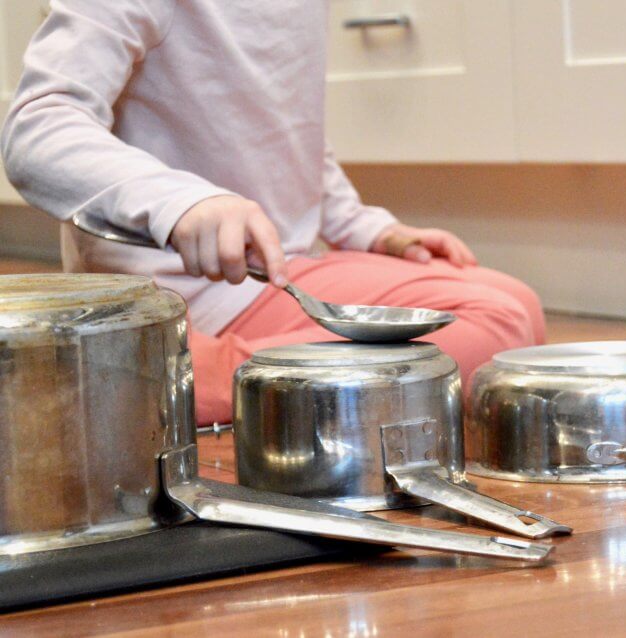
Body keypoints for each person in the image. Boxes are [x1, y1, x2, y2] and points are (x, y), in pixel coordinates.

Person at [1, 1, 545, 425]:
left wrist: (369, 229)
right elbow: (36, 130)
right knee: (501, 320)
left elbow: (284, 133)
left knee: (507, 305)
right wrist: (181, 202)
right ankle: (174, 375)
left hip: (274, 272)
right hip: (177, 290)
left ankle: (197, 371)